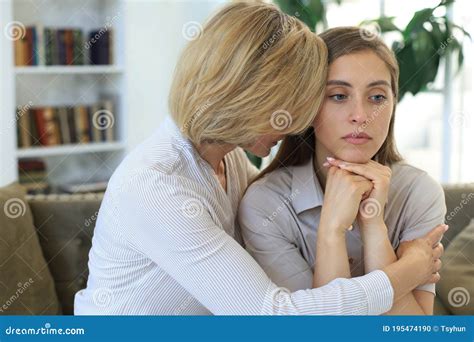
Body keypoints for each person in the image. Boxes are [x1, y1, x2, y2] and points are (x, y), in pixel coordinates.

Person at [75, 4, 445, 315]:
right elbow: (273, 317)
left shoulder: (229, 159)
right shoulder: (157, 186)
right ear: (241, 95)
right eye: (285, 102)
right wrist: (409, 270)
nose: (294, 119)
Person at [238, 26, 447, 315]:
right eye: (338, 96)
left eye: (377, 97)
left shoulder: (418, 192)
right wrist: (332, 231)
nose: (361, 116)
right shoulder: (266, 204)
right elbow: (318, 331)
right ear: (307, 107)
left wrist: (374, 226)